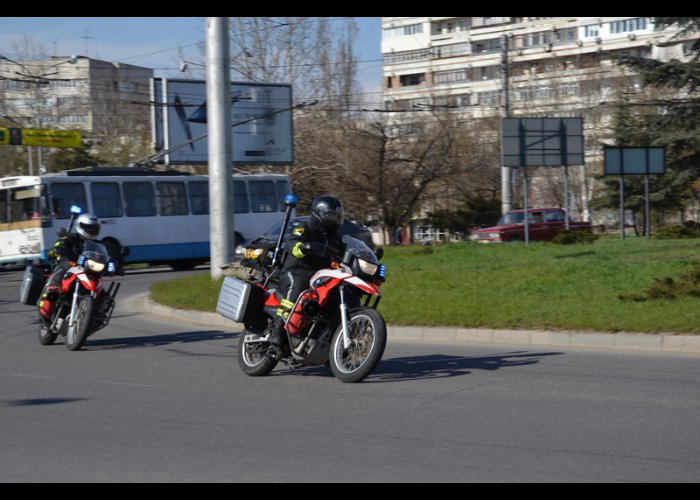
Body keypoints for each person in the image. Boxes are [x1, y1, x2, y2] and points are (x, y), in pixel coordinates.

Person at [266, 195, 345, 348]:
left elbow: (345, 251)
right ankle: (277, 331)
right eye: (333, 216)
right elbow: (293, 243)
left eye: (338, 216)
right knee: (298, 285)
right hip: (295, 270)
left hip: (318, 276)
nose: (336, 220)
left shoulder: (334, 238)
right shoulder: (305, 228)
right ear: (321, 214)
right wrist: (303, 247)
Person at [38, 213, 101, 321]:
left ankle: (99, 310)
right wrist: (66, 251)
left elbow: (106, 255)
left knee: (102, 289)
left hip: (86, 270)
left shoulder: (98, 244)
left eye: (95, 228)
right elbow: (58, 245)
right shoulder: (70, 237)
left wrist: (114, 263)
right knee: (63, 269)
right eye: (89, 228)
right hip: (70, 266)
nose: (92, 231)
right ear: (80, 227)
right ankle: (52, 290)